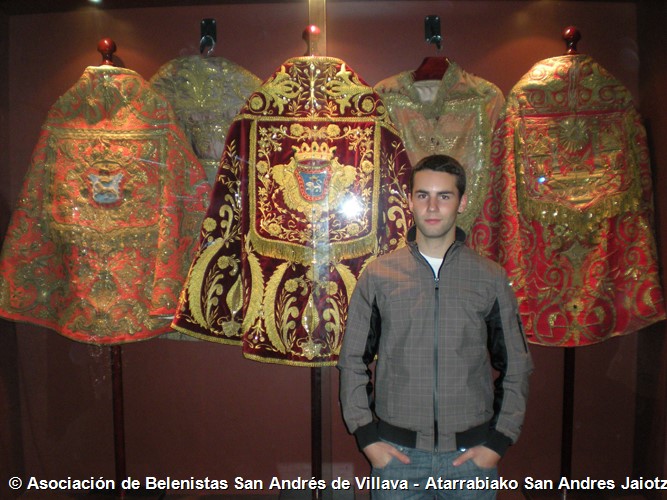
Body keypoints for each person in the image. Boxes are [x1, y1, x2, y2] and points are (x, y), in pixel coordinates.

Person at [338, 154, 532, 498]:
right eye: (423, 195)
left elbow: (516, 364)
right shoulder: (379, 276)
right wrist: (368, 440)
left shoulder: (490, 278)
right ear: (409, 200)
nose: (432, 206)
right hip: (397, 458)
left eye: (444, 196)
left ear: (461, 202)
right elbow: (352, 361)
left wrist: (498, 443)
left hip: (471, 462)